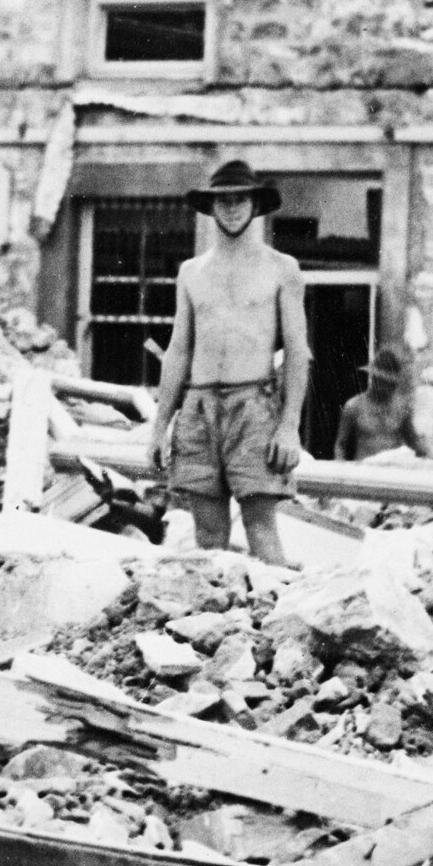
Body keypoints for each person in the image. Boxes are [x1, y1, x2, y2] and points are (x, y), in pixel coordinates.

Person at [147, 159, 309, 567]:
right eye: (223, 201)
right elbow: (179, 350)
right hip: (199, 409)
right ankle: (219, 623)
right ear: (211, 207)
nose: (232, 208)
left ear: (256, 205)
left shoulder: (281, 268)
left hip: (254, 407)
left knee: (260, 526)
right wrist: (158, 427)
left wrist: (289, 426)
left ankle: (276, 619)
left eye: (241, 200)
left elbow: (296, 351)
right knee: (209, 535)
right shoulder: (192, 272)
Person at [335, 345, 430, 461]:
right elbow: (340, 445)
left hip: (392, 472)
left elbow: (414, 441)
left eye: (392, 384)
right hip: (365, 471)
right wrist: (341, 468)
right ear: (374, 379)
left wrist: (430, 456)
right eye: (384, 382)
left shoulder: (402, 407)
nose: (388, 388)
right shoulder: (354, 406)